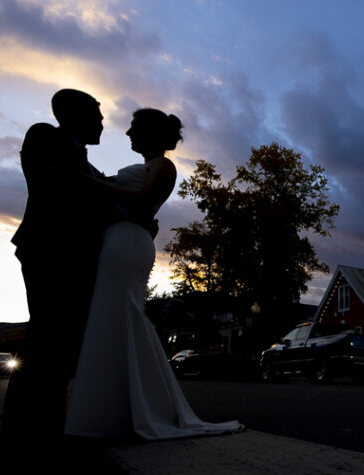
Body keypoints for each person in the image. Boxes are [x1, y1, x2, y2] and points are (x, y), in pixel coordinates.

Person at [65, 108, 241, 439]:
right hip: (115, 240)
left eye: (134, 128)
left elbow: (145, 202)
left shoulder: (164, 165)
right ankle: (113, 405)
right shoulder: (144, 165)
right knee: (110, 315)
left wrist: (91, 184)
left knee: (125, 311)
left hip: (131, 241)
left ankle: (138, 406)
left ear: (150, 133)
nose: (128, 133)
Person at [2, 89, 115, 440]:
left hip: (77, 258)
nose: (102, 121)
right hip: (50, 252)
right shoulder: (44, 136)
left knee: (63, 340)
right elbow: (61, 188)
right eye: (97, 114)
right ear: (74, 114)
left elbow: (93, 191)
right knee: (48, 335)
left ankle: (47, 418)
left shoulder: (87, 165)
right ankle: (27, 425)